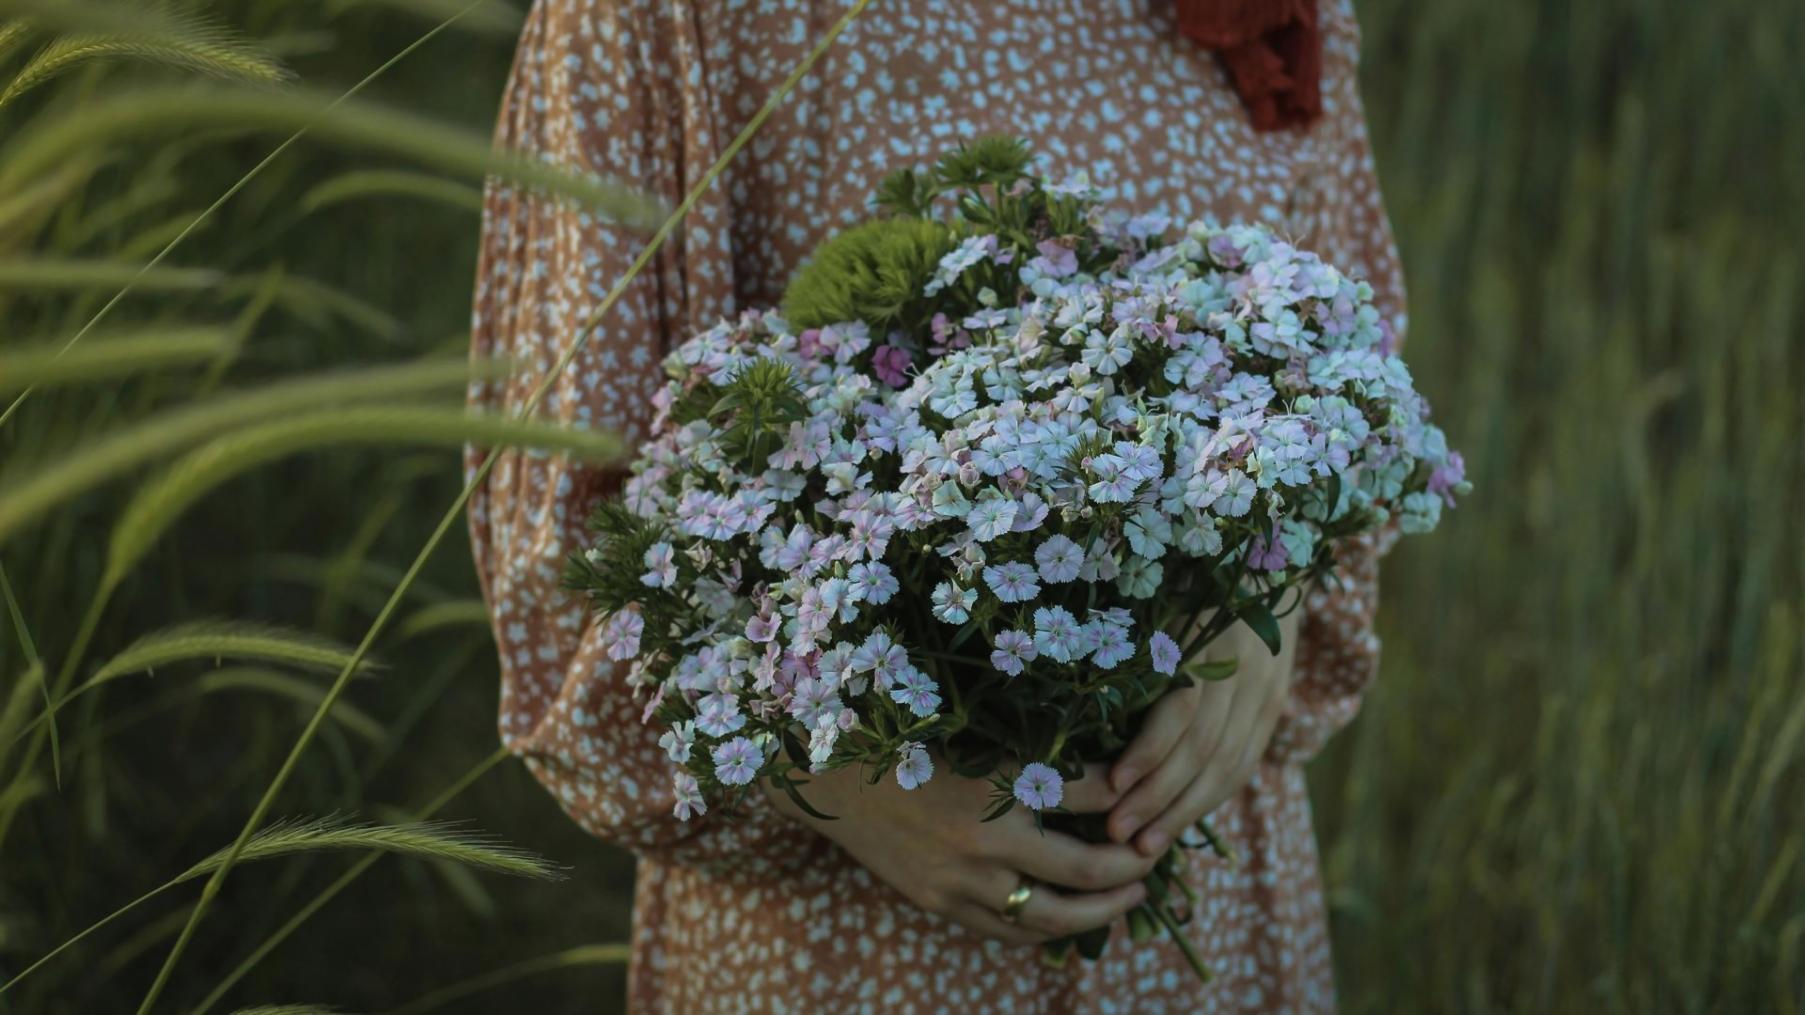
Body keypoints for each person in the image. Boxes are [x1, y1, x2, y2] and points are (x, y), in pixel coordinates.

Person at [467, 1, 1403, 1010]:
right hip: (845, 938)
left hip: (1198, 912)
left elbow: (1356, 379)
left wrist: (1269, 586)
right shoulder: (661, 18)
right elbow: (567, 545)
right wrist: (829, 780)